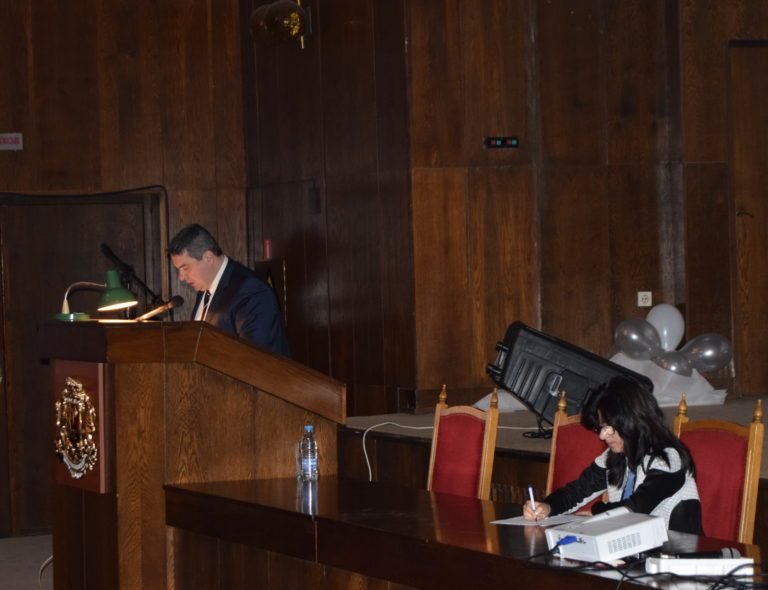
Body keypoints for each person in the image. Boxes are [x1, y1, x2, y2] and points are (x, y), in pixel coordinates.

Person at [523, 376, 702, 534]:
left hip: (674, 553)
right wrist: (547, 506)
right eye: (601, 428)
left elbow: (635, 510)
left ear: (632, 422)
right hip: (632, 548)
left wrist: (597, 511)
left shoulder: (669, 458)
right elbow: (577, 491)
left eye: (608, 427)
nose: (602, 436)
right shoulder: (617, 455)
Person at [168, 223, 290, 357]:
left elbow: (254, 358)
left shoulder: (251, 290)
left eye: (185, 268)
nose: (181, 277)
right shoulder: (204, 287)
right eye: (178, 270)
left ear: (208, 258)